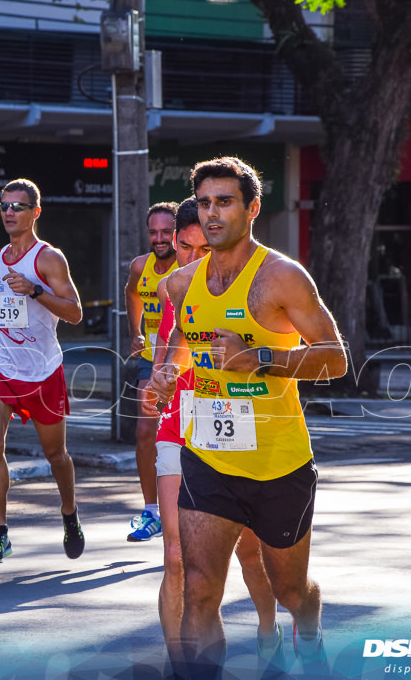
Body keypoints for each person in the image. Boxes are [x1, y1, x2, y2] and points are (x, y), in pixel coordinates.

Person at [150, 157, 347, 676]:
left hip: (278, 464)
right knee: (200, 588)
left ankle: (309, 628)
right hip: (208, 458)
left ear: (253, 208)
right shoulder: (181, 284)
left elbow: (335, 357)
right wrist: (164, 377)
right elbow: (181, 347)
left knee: (289, 590)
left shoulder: (282, 278)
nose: (213, 214)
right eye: (206, 203)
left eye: (226, 201)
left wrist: (261, 357)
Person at [145, 197, 282, 670]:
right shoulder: (174, 292)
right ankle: (180, 665)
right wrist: (158, 385)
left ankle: (268, 625)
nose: (192, 259)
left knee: (248, 554)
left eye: (202, 249)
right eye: (184, 248)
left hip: (231, 426)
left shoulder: (239, 290)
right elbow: (164, 366)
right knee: (176, 557)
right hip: (179, 426)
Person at [0, 178, 85, 563]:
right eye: (4, 206)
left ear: (35, 212)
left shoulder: (49, 258)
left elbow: (74, 312)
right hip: (0, 362)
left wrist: (35, 290)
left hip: (42, 370)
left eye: (17, 207)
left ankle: (69, 514)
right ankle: (0, 532)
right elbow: (3, 302)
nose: (8, 212)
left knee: (56, 455)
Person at [123, 201, 178, 542]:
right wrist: (135, 331)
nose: (159, 239)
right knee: (145, 431)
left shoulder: (190, 267)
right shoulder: (140, 266)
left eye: (166, 232)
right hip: (151, 356)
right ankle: (151, 512)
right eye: (153, 232)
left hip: (186, 353)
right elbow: (132, 293)